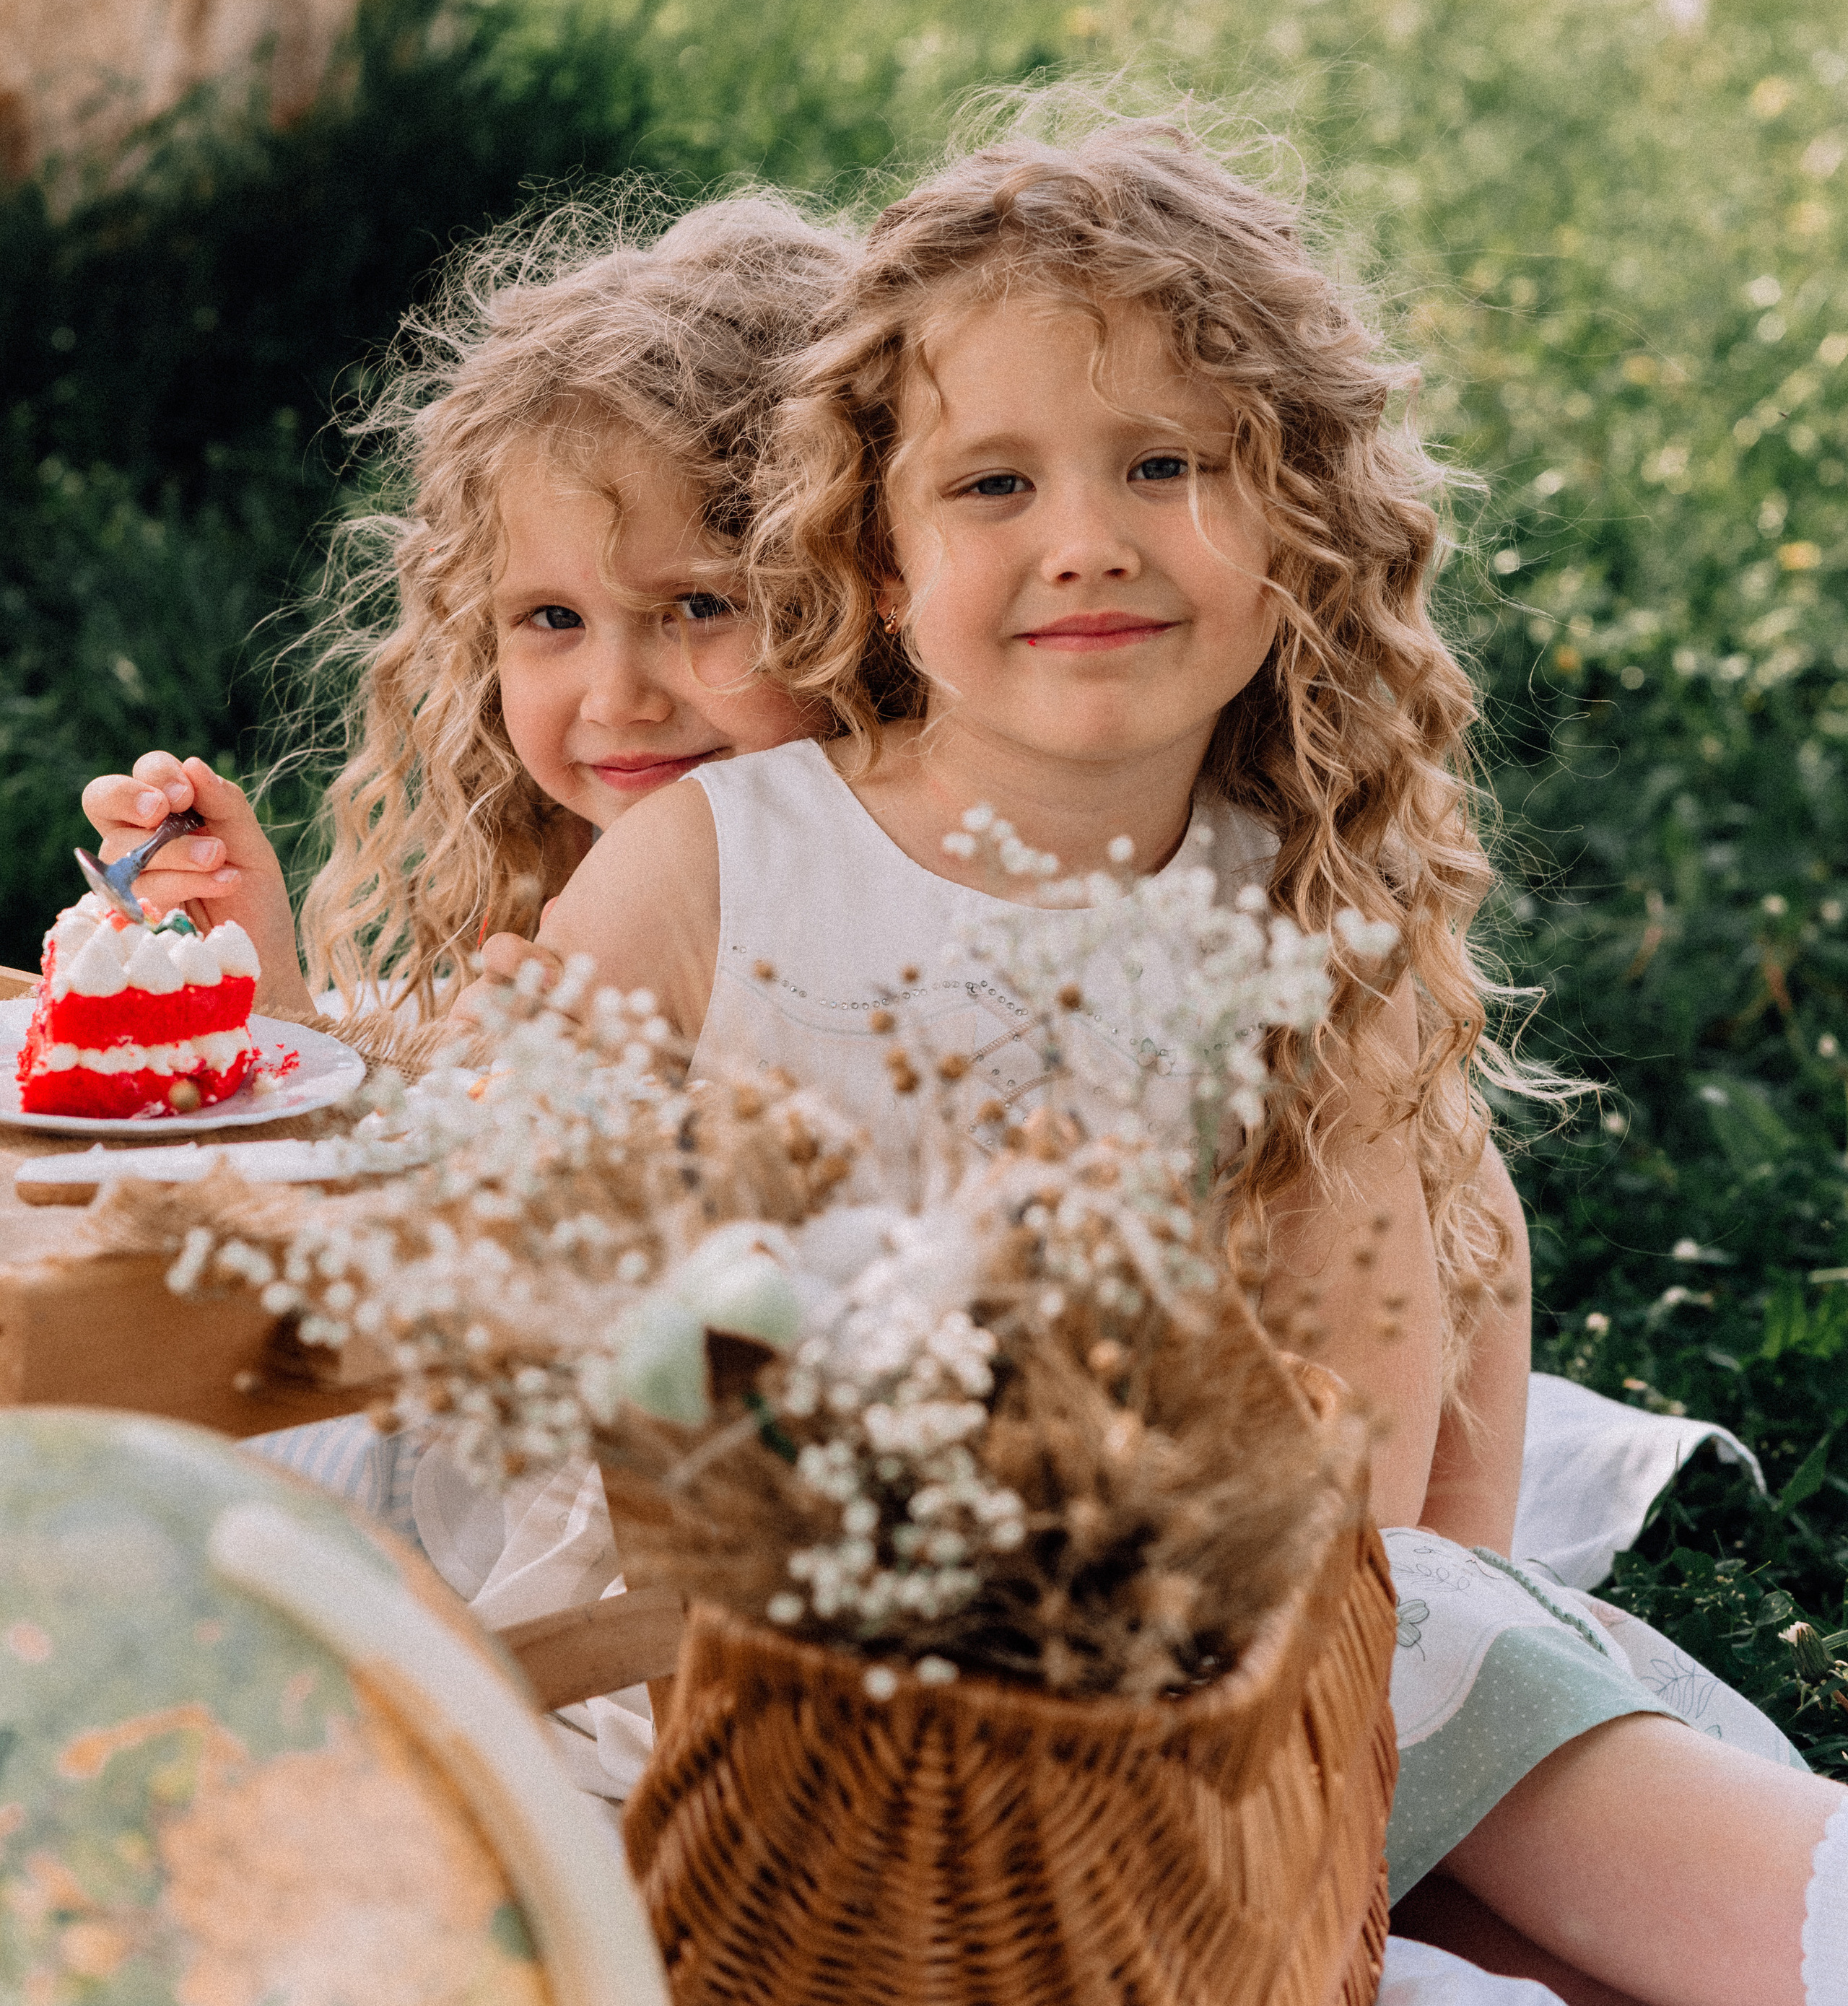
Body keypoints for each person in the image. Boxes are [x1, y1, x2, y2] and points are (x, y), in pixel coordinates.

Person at [539, 101, 1847, 2006]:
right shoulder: (715, 872)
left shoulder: (1306, 918)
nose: (1087, 541)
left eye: (1167, 464)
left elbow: (1371, 1461)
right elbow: (533, 1295)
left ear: (1300, 527)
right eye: (992, 486)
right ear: (879, 560)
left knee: (1476, 1701)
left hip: (1234, 1671)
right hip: (758, 1678)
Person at [78, 186, 850, 1034]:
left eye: (702, 605)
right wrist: (256, 985)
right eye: (554, 619)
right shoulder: (564, 872)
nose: (617, 700)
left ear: (856, 589)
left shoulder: (871, 930)